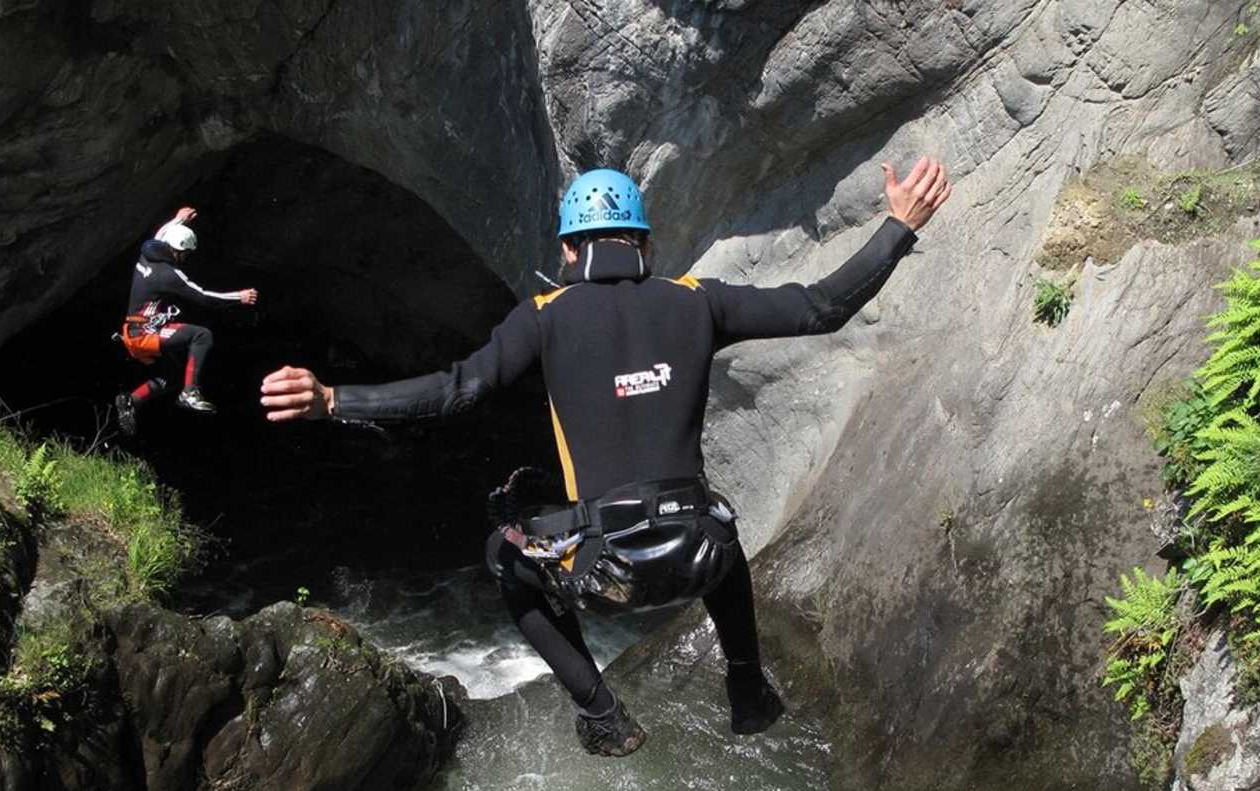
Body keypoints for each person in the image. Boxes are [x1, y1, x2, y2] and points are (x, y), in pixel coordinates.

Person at [259, 157, 953, 756]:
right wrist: (899, 225)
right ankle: (746, 685)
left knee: (503, 554)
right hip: (699, 556)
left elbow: (458, 388)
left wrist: (334, 399)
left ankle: (602, 713)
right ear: (644, 243)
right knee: (717, 520)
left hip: (605, 571)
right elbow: (821, 307)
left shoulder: (543, 314)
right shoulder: (698, 301)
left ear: (568, 251)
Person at [114, 205, 259, 433]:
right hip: (143, 335)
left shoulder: (146, 254)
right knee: (202, 335)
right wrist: (238, 297)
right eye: (185, 254)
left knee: (171, 377)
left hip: (131, 332)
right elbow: (204, 297)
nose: (184, 259)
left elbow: (160, 235)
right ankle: (190, 393)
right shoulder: (168, 274)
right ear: (179, 250)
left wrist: (178, 219)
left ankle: (130, 401)